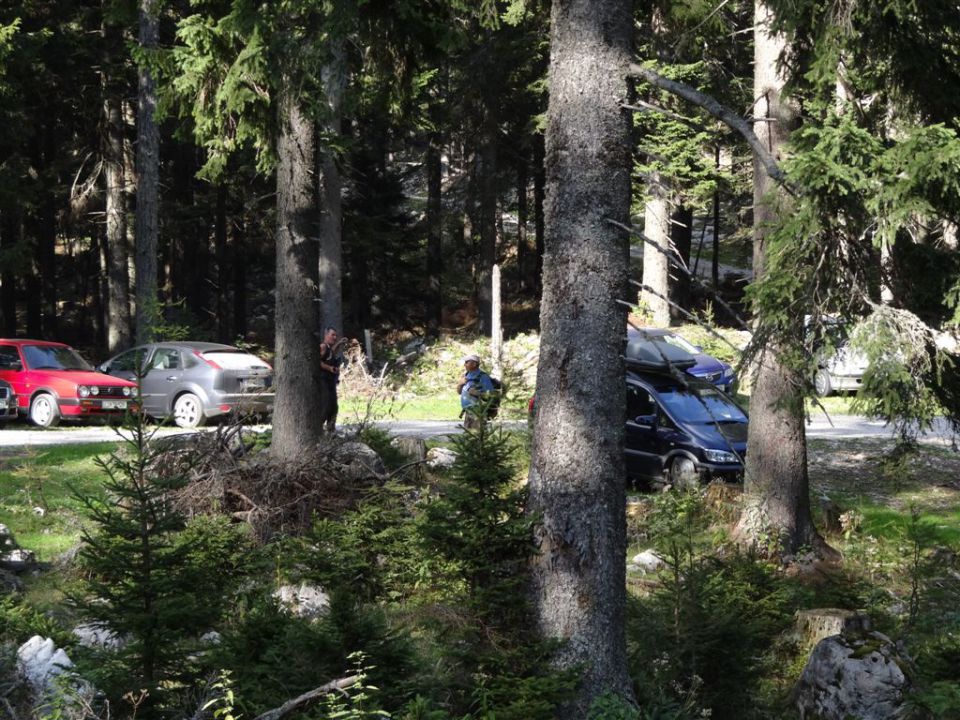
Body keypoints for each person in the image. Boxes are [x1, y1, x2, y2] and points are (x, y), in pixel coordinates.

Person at [457, 354, 496, 429]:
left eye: (466, 362)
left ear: (474, 364)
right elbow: (459, 392)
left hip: (479, 412)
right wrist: (460, 384)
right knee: (468, 436)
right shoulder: (466, 375)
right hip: (468, 412)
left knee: (477, 435)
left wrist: (477, 393)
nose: (464, 364)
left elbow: (491, 395)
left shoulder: (483, 377)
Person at [318, 327, 344, 434]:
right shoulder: (323, 346)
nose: (334, 337)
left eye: (335, 335)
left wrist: (339, 344)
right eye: (332, 335)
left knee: (334, 407)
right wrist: (330, 368)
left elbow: (330, 354)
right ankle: (318, 428)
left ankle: (331, 430)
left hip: (331, 382)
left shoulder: (329, 348)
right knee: (326, 406)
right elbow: (317, 361)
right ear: (326, 335)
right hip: (323, 381)